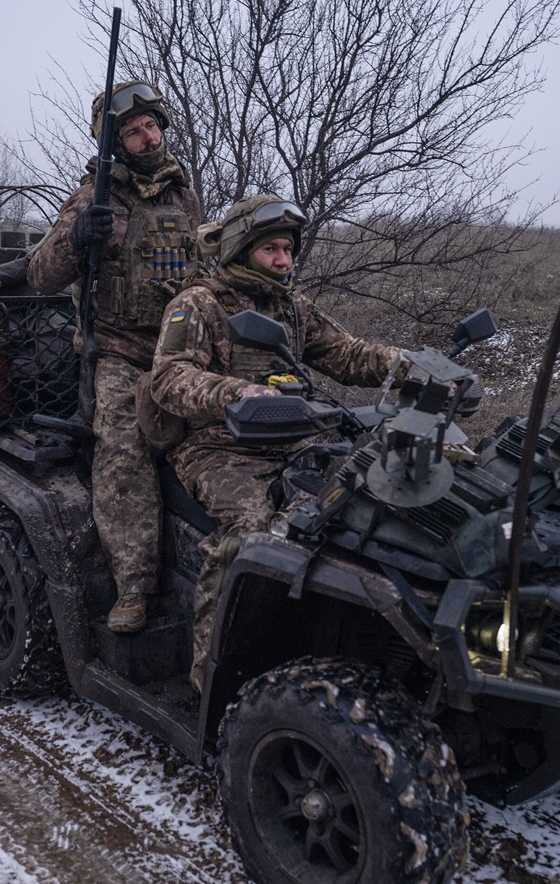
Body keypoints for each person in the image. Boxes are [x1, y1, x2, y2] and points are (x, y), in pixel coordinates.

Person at [147, 194, 403, 692]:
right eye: (272, 251)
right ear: (244, 250)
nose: (284, 260)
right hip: (218, 447)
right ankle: (210, 672)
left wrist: (408, 364)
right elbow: (169, 378)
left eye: (288, 249)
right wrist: (236, 393)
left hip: (293, 440)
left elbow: (347, 354)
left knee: (361, 511)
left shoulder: (290, 305)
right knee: (250, 531)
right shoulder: (197, 304)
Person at [27, 80, 204, 634]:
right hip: (119, 353)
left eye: (151, 125)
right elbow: (41, 277)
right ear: (115, 142)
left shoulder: (184, 194)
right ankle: (134, 587)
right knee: (124, 453)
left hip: (180, 349)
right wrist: (78, 236)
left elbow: (204, 270)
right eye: (132, 131)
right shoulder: (93, 196)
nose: (146, 137)